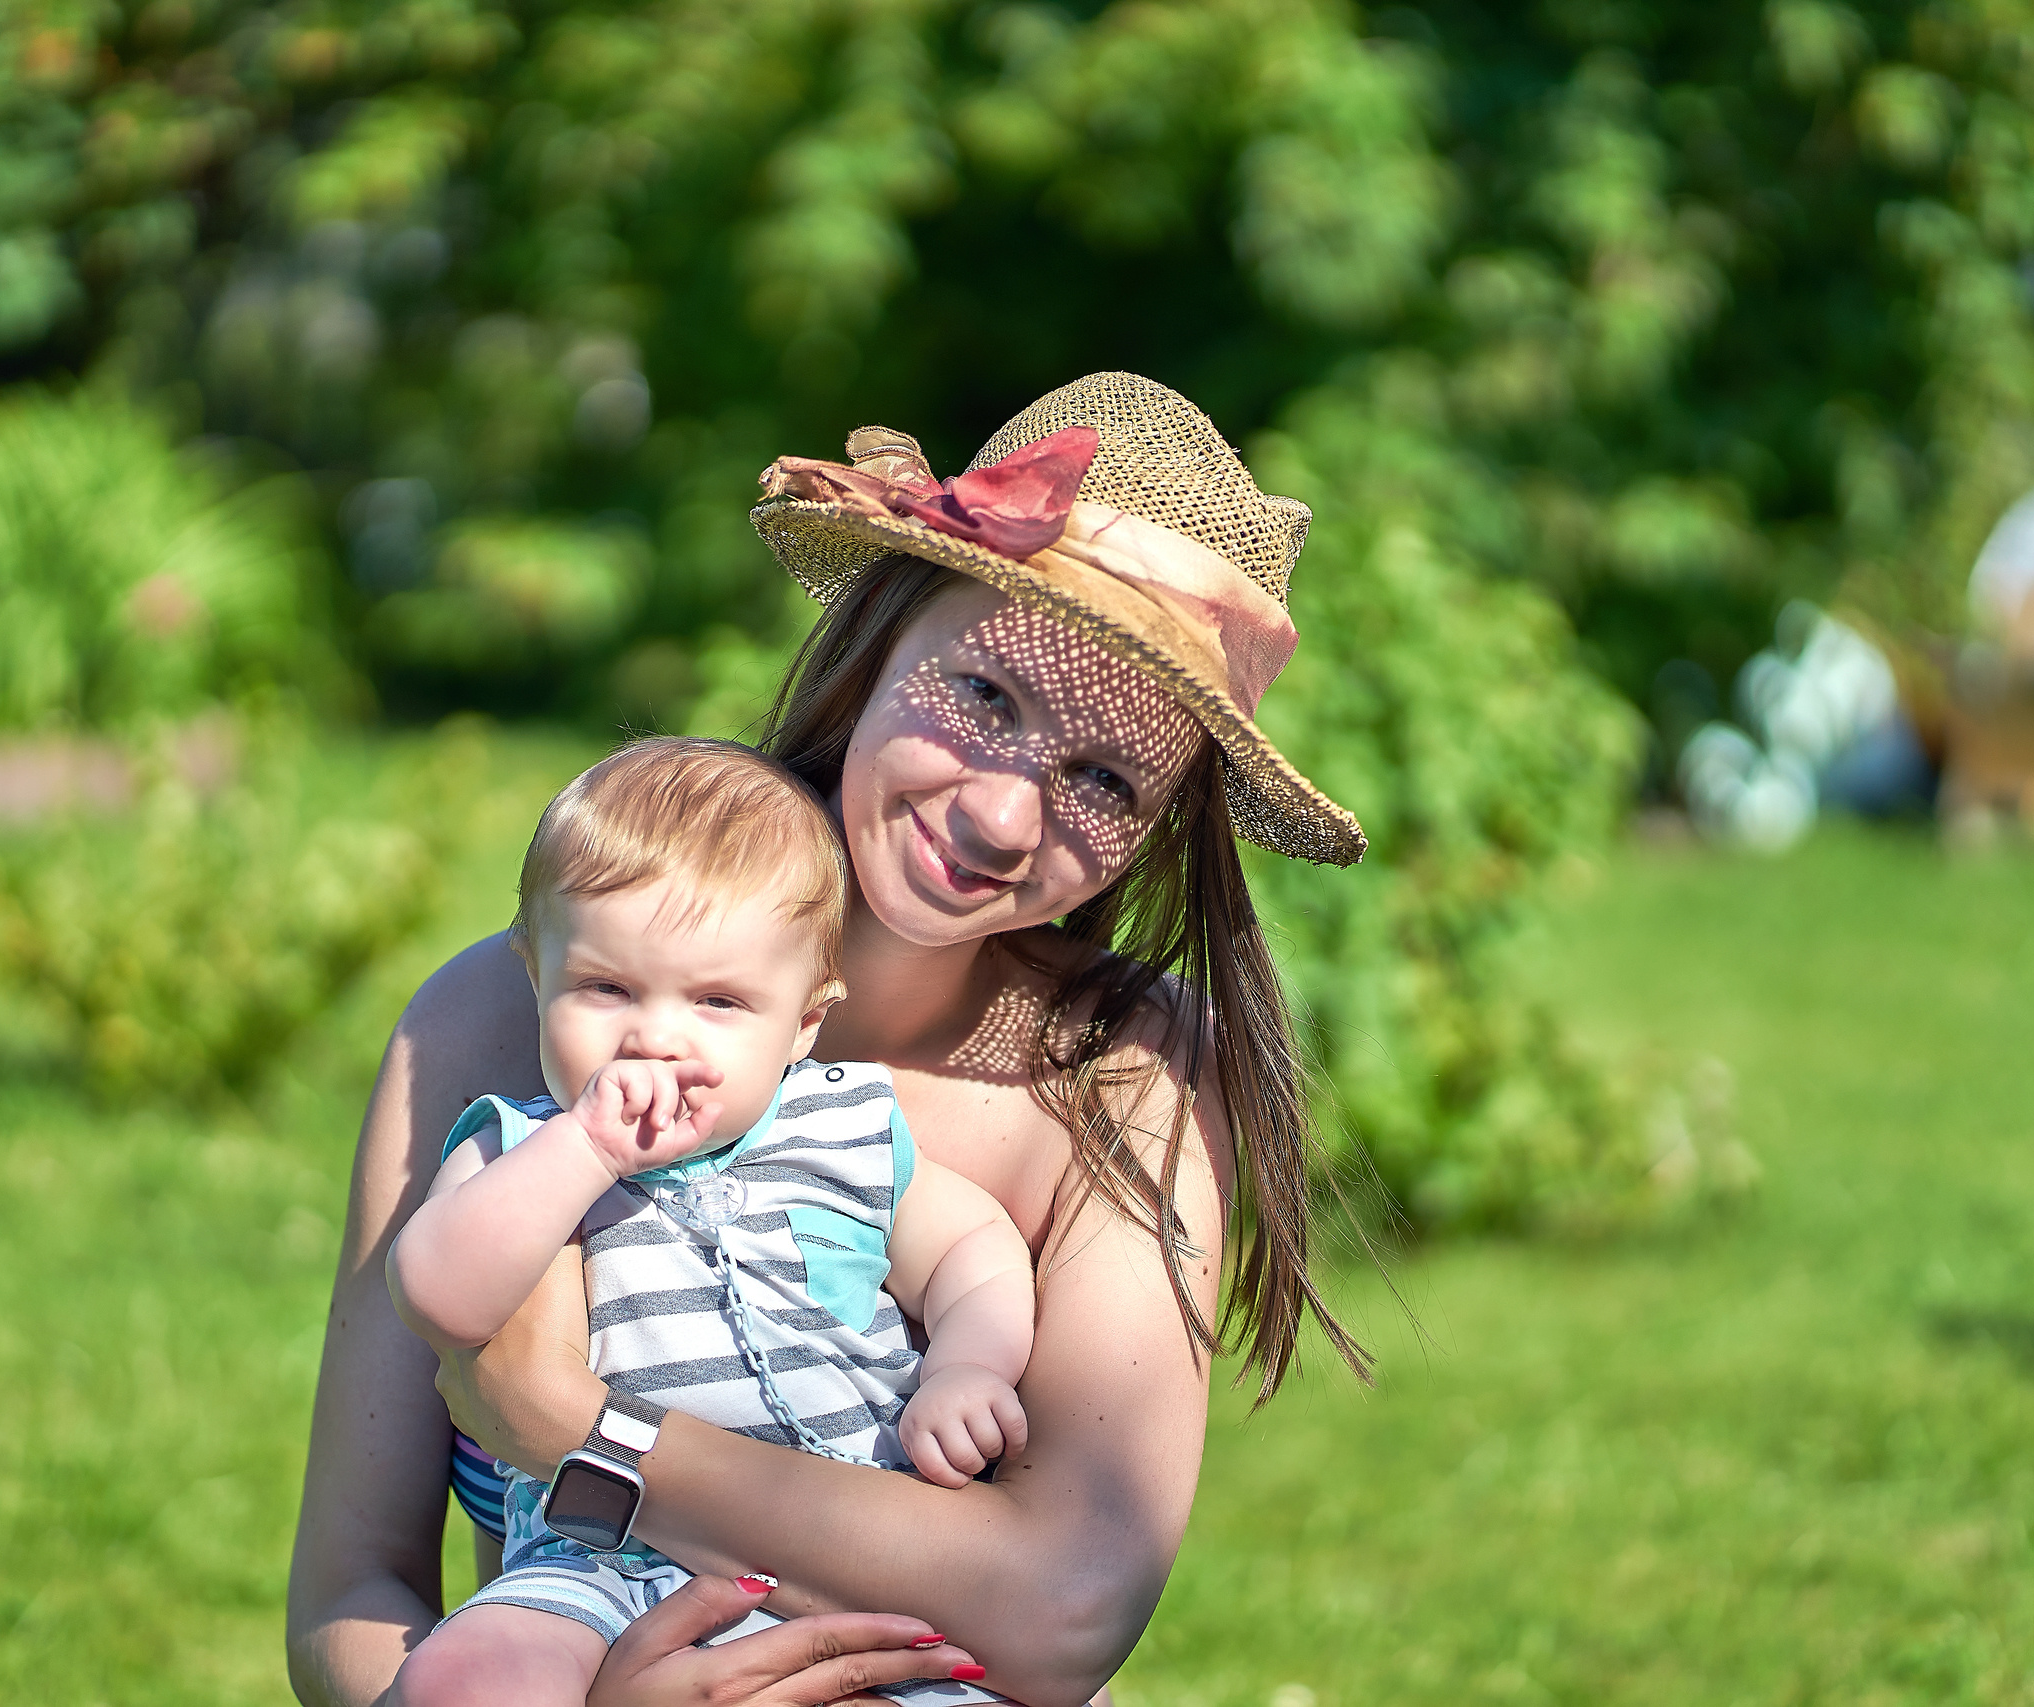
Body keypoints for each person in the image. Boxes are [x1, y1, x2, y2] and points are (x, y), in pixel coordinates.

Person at [287, 372, 1371, 1707]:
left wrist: (577, 1425)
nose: (1003, 818)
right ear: (876, 647)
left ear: (1156, 830)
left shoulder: (1120, 1071)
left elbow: (1071, 1603)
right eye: (985, 694)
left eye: (1105, 779)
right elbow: (351, 1595)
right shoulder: (509, 1024)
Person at [385, 739, 1033, 1704]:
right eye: (606, 988)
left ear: (804, 1023)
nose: (655, 1036)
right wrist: (584, 1151)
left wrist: (969, 1366)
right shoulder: (521, 1144)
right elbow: (438, 1293)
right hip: (598, 1560)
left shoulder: (845, 1128)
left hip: (847, 1552)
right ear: (536, 976)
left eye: (719, 1001)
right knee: (464, 1676)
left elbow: (974, 1251)